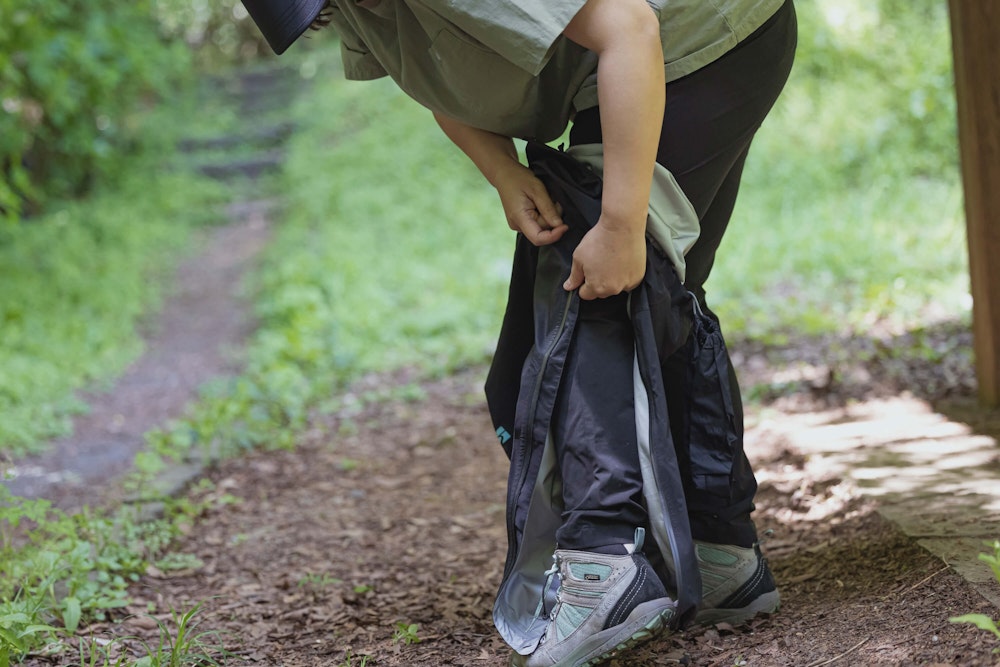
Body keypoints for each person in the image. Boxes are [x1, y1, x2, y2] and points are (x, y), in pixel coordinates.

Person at [239, 1, 797, 665]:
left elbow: (630, 30)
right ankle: (718, 551)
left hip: (697, 42)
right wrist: (503, 170)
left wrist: (619, 224)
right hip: (645, 61)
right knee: (647, 299)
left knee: (590, 293)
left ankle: (605, 563)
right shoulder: (356, 5)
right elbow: (429, 73)